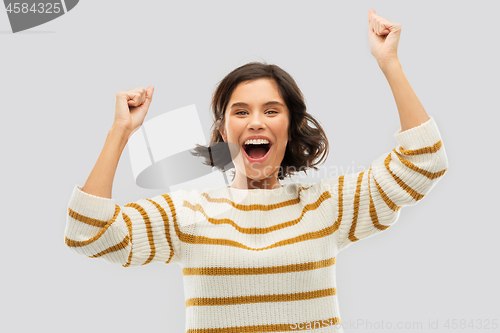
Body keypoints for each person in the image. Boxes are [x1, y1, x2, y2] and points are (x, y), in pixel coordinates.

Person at [64, 9, 448, 333]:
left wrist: (389, 63)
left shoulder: (327, 207)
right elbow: (89, 233)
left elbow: (422, 163)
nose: (256, 122)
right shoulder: (188, 215)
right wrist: (120, 132)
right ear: (222, 130)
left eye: (271, 110)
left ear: (290, 127)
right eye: (241, 111)